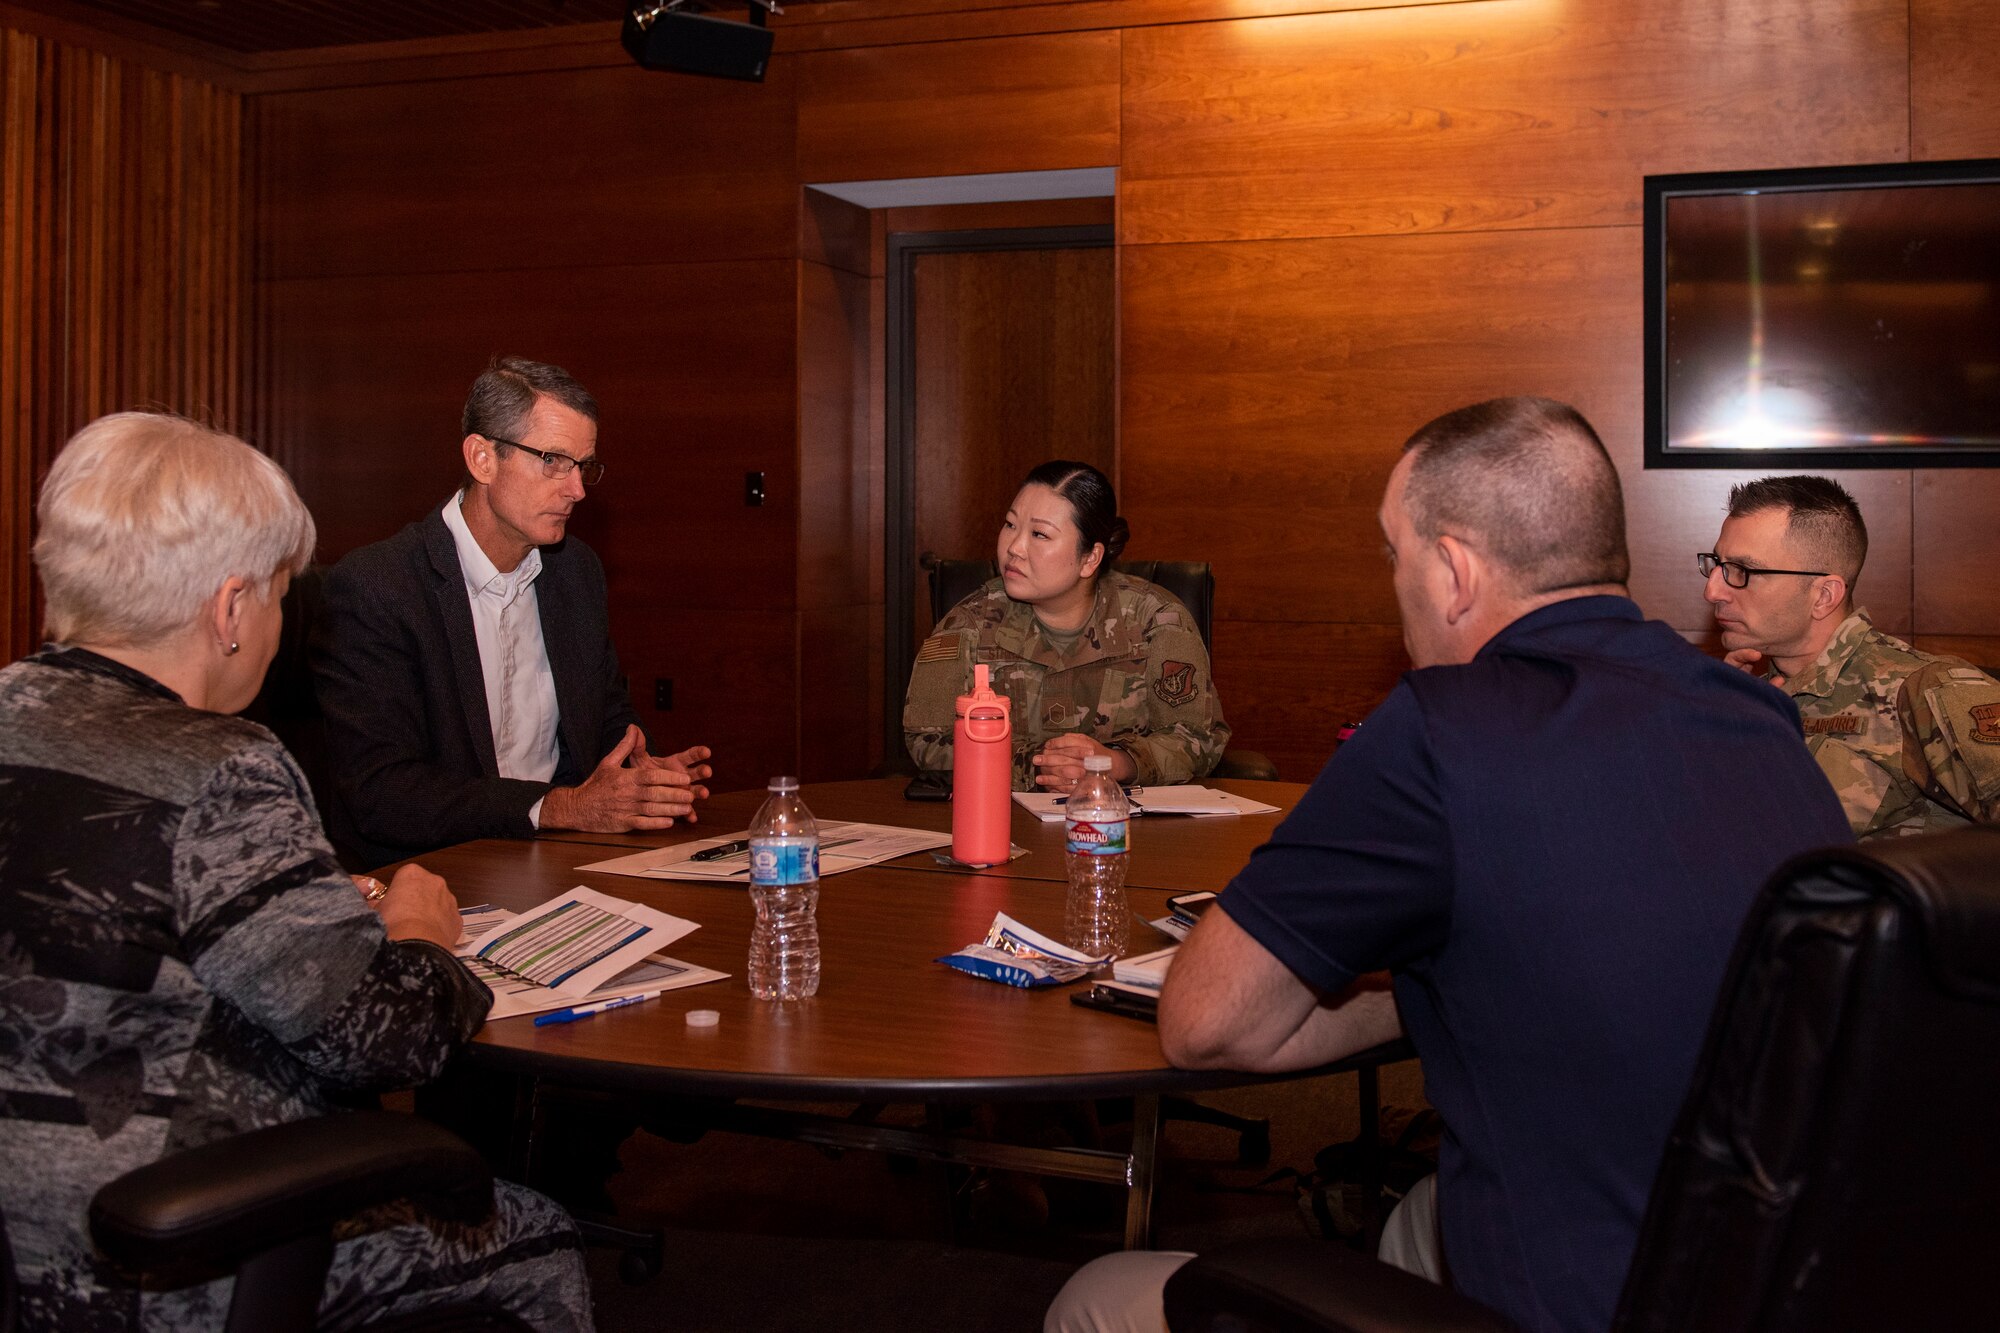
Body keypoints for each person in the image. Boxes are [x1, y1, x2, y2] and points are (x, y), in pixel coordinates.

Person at [1046, 398, 1852, 1333]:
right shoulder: (1762, 718)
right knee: (1415, 1220)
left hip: (1589, 1298)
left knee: (1095, 1299)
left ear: (1456, 569)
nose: (1394, 583)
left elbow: (1205, 1026)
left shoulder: (1439, 727)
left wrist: (1427, 976)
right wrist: (1482, 966)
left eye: (1395, 554)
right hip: (1780, 1268)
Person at [0, 413, 591, 1331]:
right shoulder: (222, 767)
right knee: (534, 1233)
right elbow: (390, 1045)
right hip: (165, 1247)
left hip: (15, 1235)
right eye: (280, 597)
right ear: (231, 608)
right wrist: (419, 936)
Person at [315, 355, 713, 870]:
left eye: (584, 466)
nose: (576, 490)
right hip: (431, 872)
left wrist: (644, 773)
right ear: (483, 458)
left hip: (559, 858)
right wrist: (561, 807)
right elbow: (381, 792)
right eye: (553, 461)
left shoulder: (575, 570)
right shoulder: (379, 588)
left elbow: (605, 711)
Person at [1702, 474, 2000, 840]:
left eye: (1742, 571)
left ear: (1824, 595)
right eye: (1717, 564)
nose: (1712, 590)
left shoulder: (1925, 690)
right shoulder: (1746, 698)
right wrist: (1710, 727)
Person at [904, 460, 1231, 790]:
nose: (1014, 548)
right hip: (1007, 823)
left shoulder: (1157, 620)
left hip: (1125, 825)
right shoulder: (969, 624)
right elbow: (926, 741)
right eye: (1010, 525)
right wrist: (1038, 768)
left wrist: (1118, 763)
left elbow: (1199, 739)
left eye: (1039, 534)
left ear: (1090, 558)